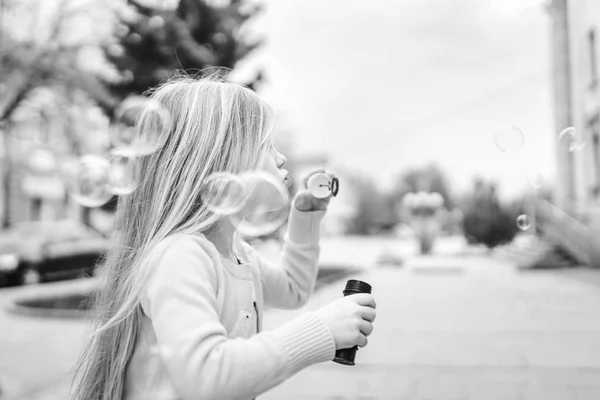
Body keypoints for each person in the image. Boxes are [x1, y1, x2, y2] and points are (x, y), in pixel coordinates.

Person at [72, 76, 376, 400]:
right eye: (265, 145)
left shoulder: (236, 253)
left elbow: (294, 290)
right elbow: (207, 377)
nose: (281, 157)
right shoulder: (180, 256)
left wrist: (306, 220)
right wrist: (321, 330)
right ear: (223, 160)